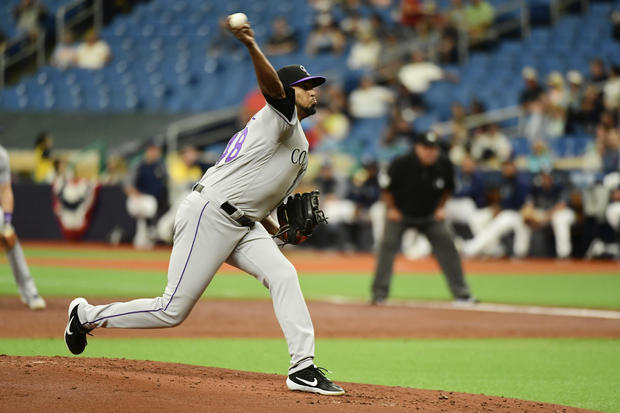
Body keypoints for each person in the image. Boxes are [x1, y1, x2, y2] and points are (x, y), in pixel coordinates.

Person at [64, 16, 345, 396]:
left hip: (243, 224)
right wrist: (249, 44)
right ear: (289, 92)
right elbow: (272, 89)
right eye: (306, 86)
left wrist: (281, 229)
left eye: (314, 86)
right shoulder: (280, 116)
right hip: (209, 213)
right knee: (171, 311)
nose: (314, 91)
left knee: (284, 275)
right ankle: (85, 316)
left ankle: (302, 368)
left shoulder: (300, 147)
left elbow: (259, 197)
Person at [370, 131, 476, 304]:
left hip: (429, 215)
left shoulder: (444, 163)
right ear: (417, 148)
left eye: (433, 148)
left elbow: (449, 189)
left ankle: (462, 294)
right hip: (401, 213)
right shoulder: (401, 163)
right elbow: (386, 188)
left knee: (448, 245)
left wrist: (441, 208)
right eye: (426, 148)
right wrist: (392, 209)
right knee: (387, 245)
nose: (430, 152)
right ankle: (379, 294)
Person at [0, 144, 46, 310]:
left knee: (9, 237)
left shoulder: (1, 156)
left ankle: (29, 291)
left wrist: (7, 221)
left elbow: (5, 190)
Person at [124, 140, 169, 249]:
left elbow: (167, 183)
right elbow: (128, 185)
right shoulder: (139, 165)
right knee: (147, 206)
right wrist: (137, 195)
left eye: (156, 150)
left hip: (157, 201)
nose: (154, 153)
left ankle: (147, 235)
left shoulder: (161, 166)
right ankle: (146, 233)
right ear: (147, 151)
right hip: (140, 198)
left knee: (151, 208)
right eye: (152, 150)